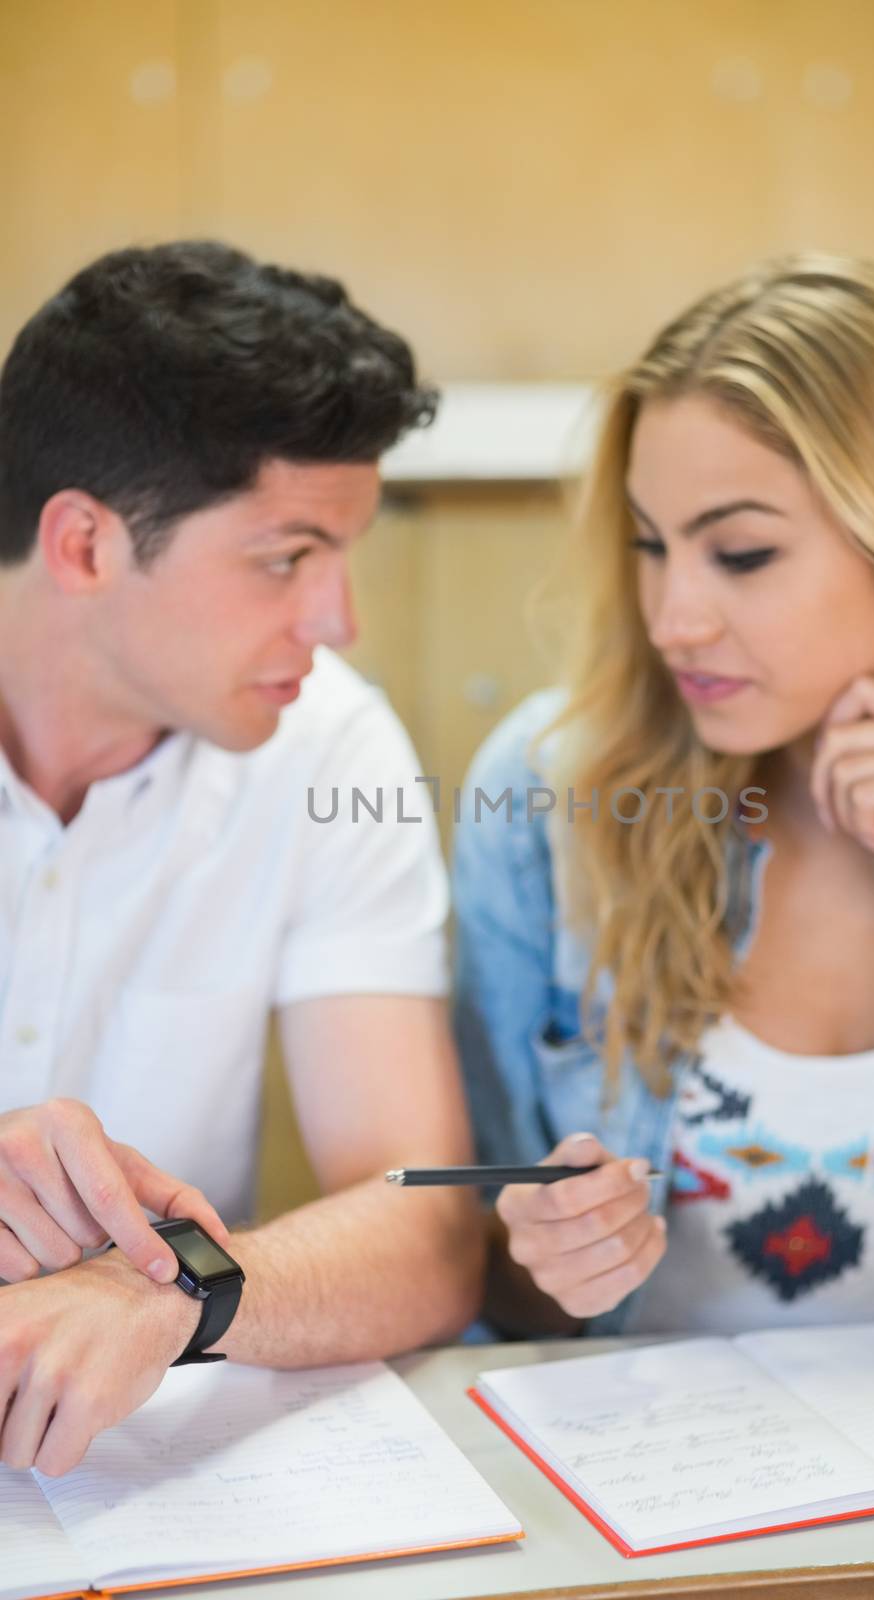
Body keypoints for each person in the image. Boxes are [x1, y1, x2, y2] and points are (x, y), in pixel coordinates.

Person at [453, 253, 874, 1345]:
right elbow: (484, 1288)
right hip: (640, 1490)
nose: (671, 617)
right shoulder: (545, 799)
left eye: (739, 553)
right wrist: (544, 1255)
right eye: (651, 545)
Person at [0, 241, 481, 1476]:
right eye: (285, 558)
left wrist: (173, 1290)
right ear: (85, 545)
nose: (336, 622)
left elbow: (426, 1224)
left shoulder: (328, 742)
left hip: (125, 1489)